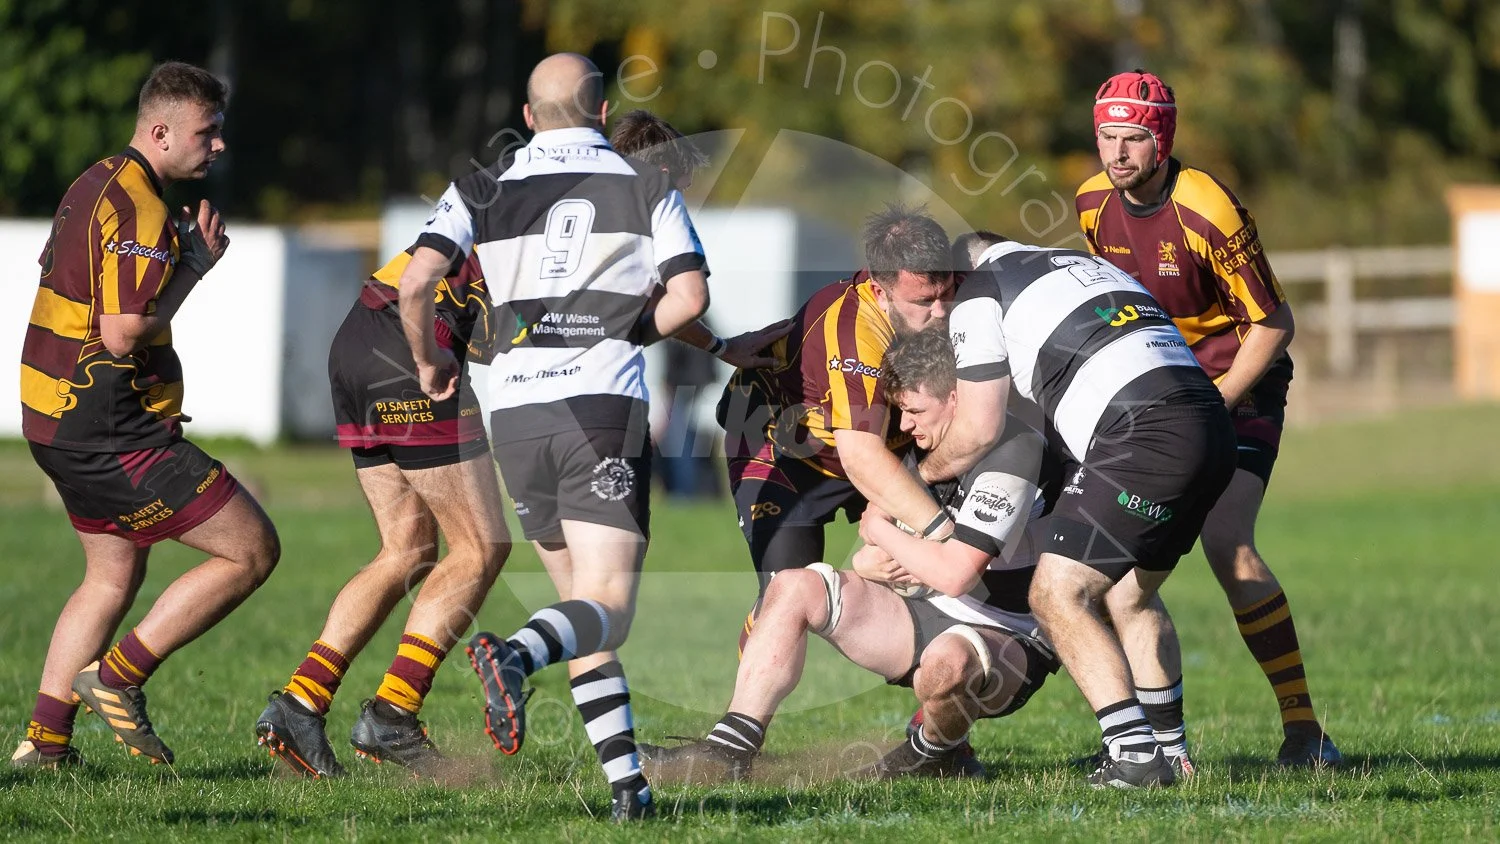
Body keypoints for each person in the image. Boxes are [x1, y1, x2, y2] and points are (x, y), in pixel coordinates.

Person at [398, 54, 709, 822]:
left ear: (530, 117)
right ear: (604, 114)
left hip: (515, 417)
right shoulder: (645, 184)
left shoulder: (479, 185)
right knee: (608, 606)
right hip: (598, 408)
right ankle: (514, 654)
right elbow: (692, 294)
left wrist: (430, 361)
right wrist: (629, 328)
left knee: (582, 608)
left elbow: (415, 282)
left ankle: (627, 787)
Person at [13, 62, 279, 769]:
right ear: (160, 131)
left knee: (110, 577)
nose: (217, 145)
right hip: (105, 426)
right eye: (207, 131)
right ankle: (118, 676)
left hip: (49, 419)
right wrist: (193, 269)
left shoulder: (94, 180)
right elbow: (122, 332)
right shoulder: (142, 208)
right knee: (251, 549)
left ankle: (44, 743)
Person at [640, 328, 1057, 780]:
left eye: (914, 411)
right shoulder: (929, 443)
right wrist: (873, 552)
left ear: (956, 399)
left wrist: (883, 529)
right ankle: (730, 748)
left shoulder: (1017, 449)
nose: (905, 426)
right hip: (924, 610)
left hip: (1007, 634)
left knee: (945, 665)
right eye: (900, 412)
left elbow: (954, 572)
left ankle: (935, 754)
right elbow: (866, 557)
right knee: (793, 585)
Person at [1076, 70, 1339, 768]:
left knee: (1228, 544)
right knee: (1107, 577)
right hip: (1159, 390)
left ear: (1161, 139)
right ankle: (1154, 748)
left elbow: (1274, 323)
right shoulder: (1090, 204)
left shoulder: (1208, 208)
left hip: (1239, 384)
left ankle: (1305, 732)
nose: (1118, 153)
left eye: (1134, 137)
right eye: (1107, 136)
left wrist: (1213, 403)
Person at [923, 231, 1238, 788]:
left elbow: (977, 427)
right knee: (1131, 593)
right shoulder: (1080, 264)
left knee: (1055, 593)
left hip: (1141, 432)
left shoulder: (979, 290)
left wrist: (919, 477)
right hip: (1211, 423)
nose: (939, 311)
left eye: (938, 297)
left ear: (958, 272)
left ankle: (1133, 754)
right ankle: (1172, 752)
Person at [252, 247, 510, 778]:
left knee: (406, 549)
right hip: (412, 342)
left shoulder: (494, 192)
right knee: (481, 545)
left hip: (358, 339)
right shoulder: (573, 207)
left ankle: (299, 705)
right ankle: (395, 712)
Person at [716, 205, 957, 643]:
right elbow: (862, 456)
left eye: (947, 293)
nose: (941, 313)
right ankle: (743, 711)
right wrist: (944, 538)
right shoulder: (853, 333)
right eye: (924, 302)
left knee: (931, 585)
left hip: (878, 447)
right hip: (781, 450)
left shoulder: (945, 296)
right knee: (786, 597)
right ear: (882, 293)